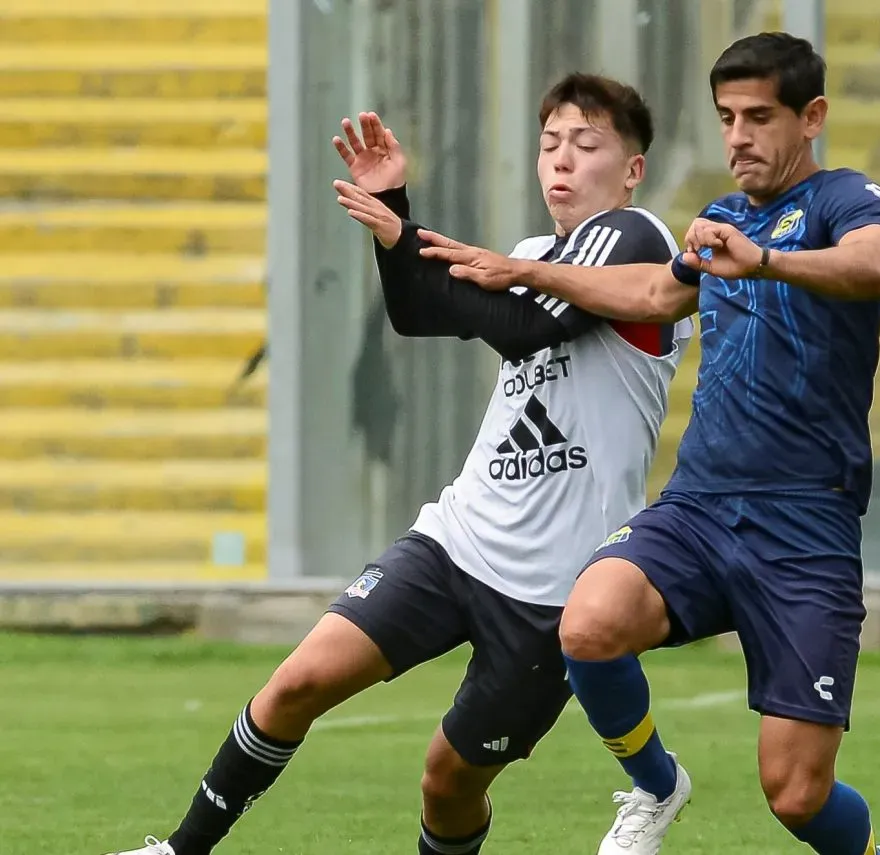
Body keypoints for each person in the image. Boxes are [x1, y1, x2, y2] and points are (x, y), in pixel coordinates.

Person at [105, 72, 694, 855]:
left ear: (631, 170)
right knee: (297, 682)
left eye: (586, 145)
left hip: (553, 592)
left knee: (447, 780)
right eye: (549, 143)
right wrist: (398, 218)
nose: (561, 160)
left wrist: (411, 240)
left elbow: (521, 328)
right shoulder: (528, 254)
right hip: (458, 540)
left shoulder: (637, 240)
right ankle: (178, 850)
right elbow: (423, 312)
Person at [418, 33, 880, 855]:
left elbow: (876, 268)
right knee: (589, 621)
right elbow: (653, 290)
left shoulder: (842, 201)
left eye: (760, 116)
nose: (739, 136)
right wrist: (530, 271)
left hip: (804, 526)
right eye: (726, 117)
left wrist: (770, 262)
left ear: (812, 117)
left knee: (796, 795)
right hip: (697, 508)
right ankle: (656, 785)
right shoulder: (717, 219)